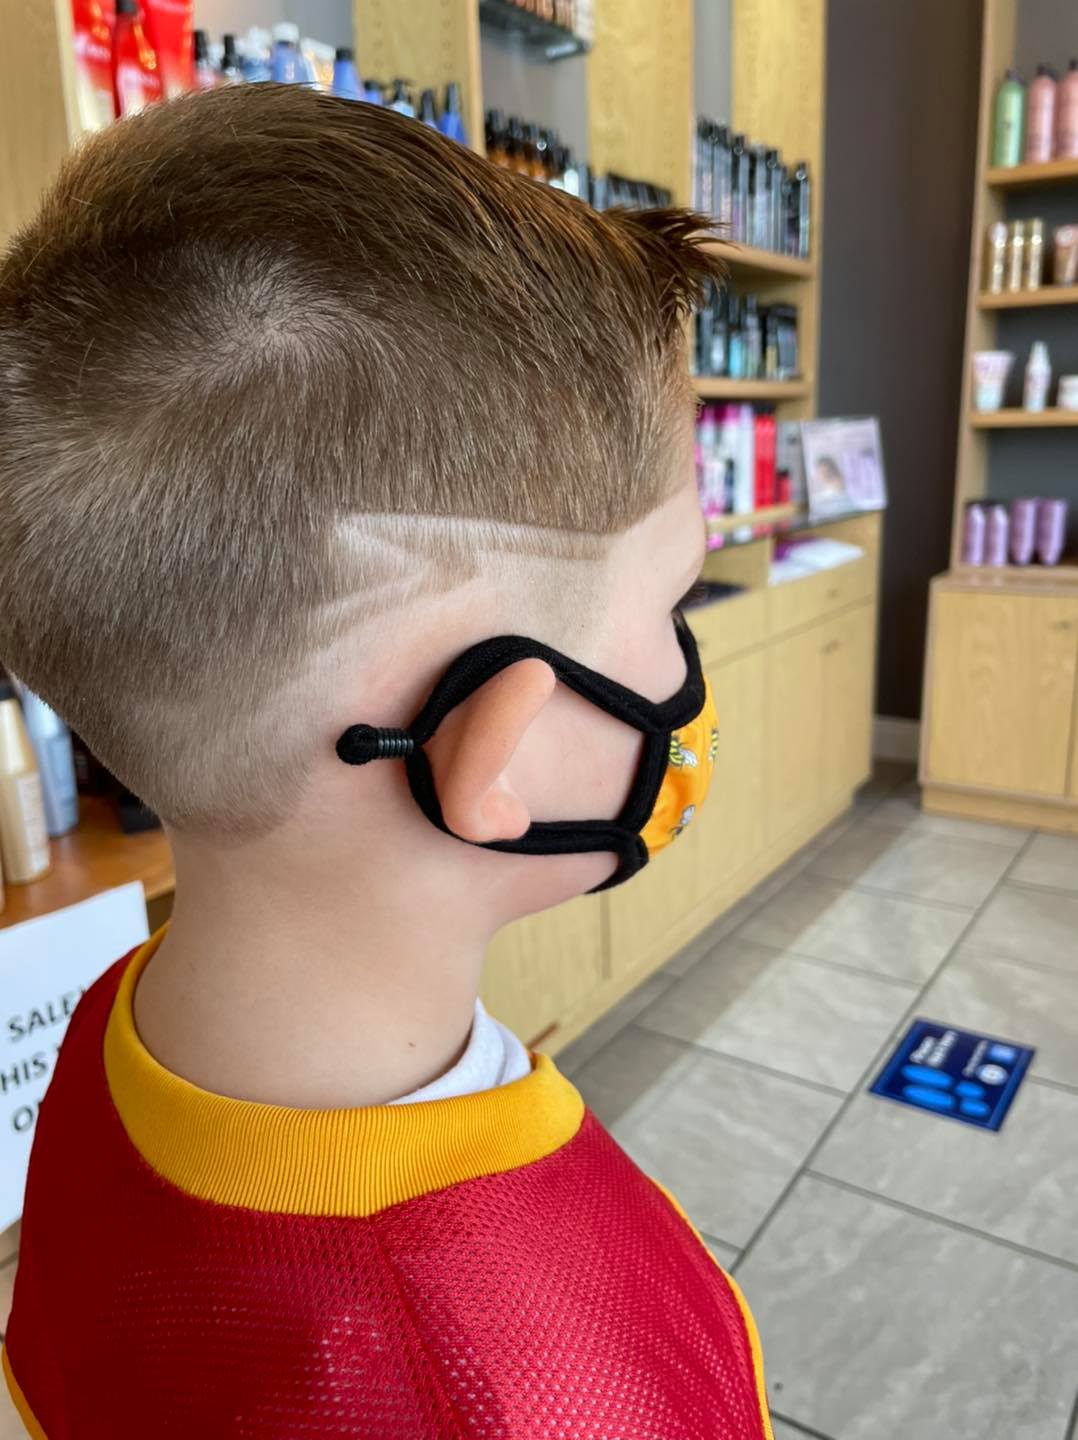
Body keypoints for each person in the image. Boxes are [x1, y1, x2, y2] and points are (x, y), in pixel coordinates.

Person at [0, 84, 772, 1438]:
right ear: (498, 749)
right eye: (667, 605)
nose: (675, 671)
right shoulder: (537, 1398)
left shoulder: (121, 1036)